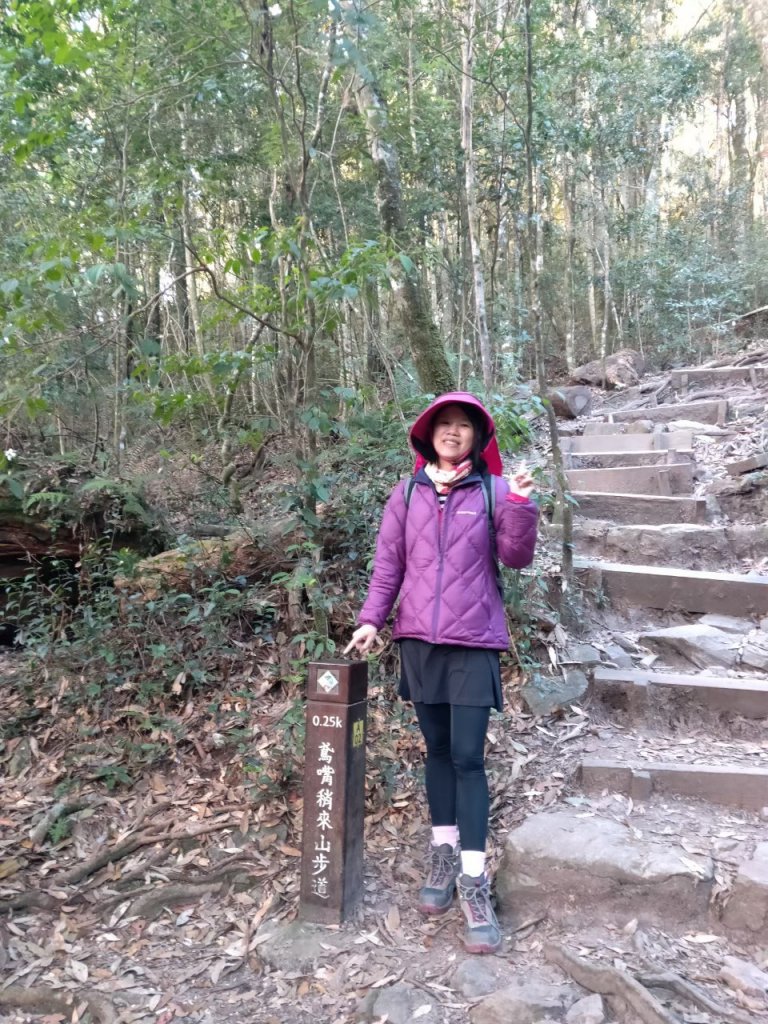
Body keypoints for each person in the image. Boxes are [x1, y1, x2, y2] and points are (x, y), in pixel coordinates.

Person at [344, 392, 537, 954]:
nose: (453, 432)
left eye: (463, 426)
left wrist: (522, 505)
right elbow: (389, 565)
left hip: (474, 642)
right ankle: (443, 854)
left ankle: (474, 879)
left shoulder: (496, 491)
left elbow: (516, 558)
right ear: (428, 434)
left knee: (469, 758)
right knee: (436, 753)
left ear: (479, 438)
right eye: (444, 424)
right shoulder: (406, 493)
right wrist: (371, 621)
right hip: (419, 644)